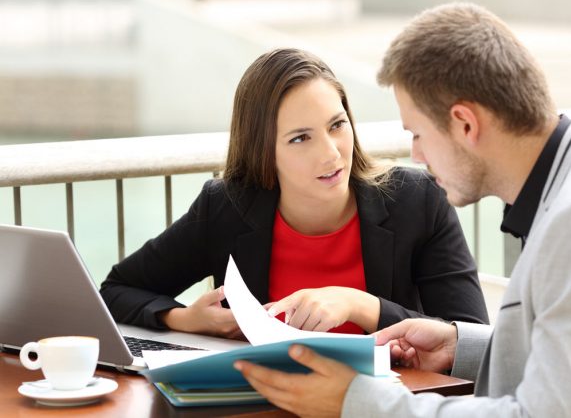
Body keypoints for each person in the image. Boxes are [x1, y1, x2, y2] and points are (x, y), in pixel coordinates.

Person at [233, 3, 571, 417]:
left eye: (418, 134)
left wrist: (356, 403)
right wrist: (459, 345)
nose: (417, 155)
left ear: (465, 124)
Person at [100, 48, 488, 339]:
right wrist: (184, 318)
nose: (331, 153)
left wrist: (360, 305)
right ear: (264, 151)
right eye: (300, 138)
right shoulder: (227, 206)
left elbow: (472, 338)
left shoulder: (416, 200)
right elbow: (116, 290)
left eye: (337, 125)